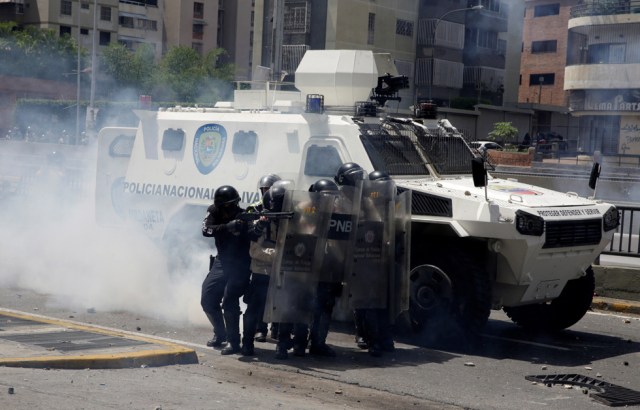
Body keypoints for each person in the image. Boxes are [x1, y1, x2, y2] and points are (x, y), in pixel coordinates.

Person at [201, 185, 252, 355]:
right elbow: (206, 230)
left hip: (241, 264)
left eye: (228, 206)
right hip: (222, 261)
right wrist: (227, 227)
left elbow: (254, 237)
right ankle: (220, 333)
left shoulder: (244, 216)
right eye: (223, 206)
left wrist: (245, 227)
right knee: (207, 298)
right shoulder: (214, 211)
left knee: (230, 301)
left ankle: (234, 341)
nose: (225, 210)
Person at [240, 185, 285, 356]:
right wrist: (279, 255)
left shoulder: (288, 221)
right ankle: (247, 342)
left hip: (283, 272)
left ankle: (283, 344)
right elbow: (254, 251)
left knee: (285, 308)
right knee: (254, 309)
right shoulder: (260, 222)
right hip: (262, 272)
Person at [306, 178, 345, 357]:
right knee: (306, 304)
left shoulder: (338, 214)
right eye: (327, 197)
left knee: (325, 306)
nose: (332, 201)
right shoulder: (306, 212)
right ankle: (299, 341)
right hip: (309, 267)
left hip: (329, 268)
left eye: (334, 197)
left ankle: (318, 342)